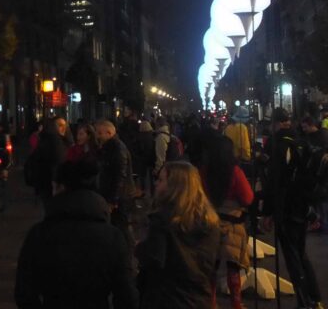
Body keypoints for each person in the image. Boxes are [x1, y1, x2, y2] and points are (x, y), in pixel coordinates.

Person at [15, 160, 138, 308]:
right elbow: (126, 295)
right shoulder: (113, 237)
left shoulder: (39, 234)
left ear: (60, 188)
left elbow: (24, 292)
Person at [136, 161, 221, 309]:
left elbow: (155, 259)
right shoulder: (210, 221)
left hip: (168, 297)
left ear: (174, 187)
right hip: (199, 298)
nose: (156, 183)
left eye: (161, 180)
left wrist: (140, 248)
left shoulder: (162, 219)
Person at [261, 108, 323, 309]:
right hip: (302, 205)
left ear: (277, 124)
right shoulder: (302, 142)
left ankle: (304, 301)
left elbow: (275, 182)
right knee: (301, 253)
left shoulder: (278, 145)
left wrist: (267, 212)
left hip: (286, 207)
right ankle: (314, 297)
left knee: (292, 257)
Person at [200, 135, 253, 309]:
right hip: (233, 224)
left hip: (212, 221)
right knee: (233, 267)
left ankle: (212, 302)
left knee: (211, 266)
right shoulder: (235, 171)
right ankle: (236, 304)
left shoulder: (205, 171)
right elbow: (247, 198)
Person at [95, 119, 137, 257]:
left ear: (109, 132)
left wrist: (113, 200)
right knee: (119, 226)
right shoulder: (110, 147)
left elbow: (120, 176)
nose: (97, 136)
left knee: (122, 227)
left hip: (120, 198)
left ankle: (128, 256)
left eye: (100, 133)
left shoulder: (117, 148)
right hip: (119, 196)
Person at [32, 116, 73, 211]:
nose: (62, 128)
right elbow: (58, 162)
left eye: (64, 125)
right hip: (53, 184)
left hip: (51, 184)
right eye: (59, 125)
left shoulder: (59, 140)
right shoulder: (54, 140)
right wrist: (56, 182)